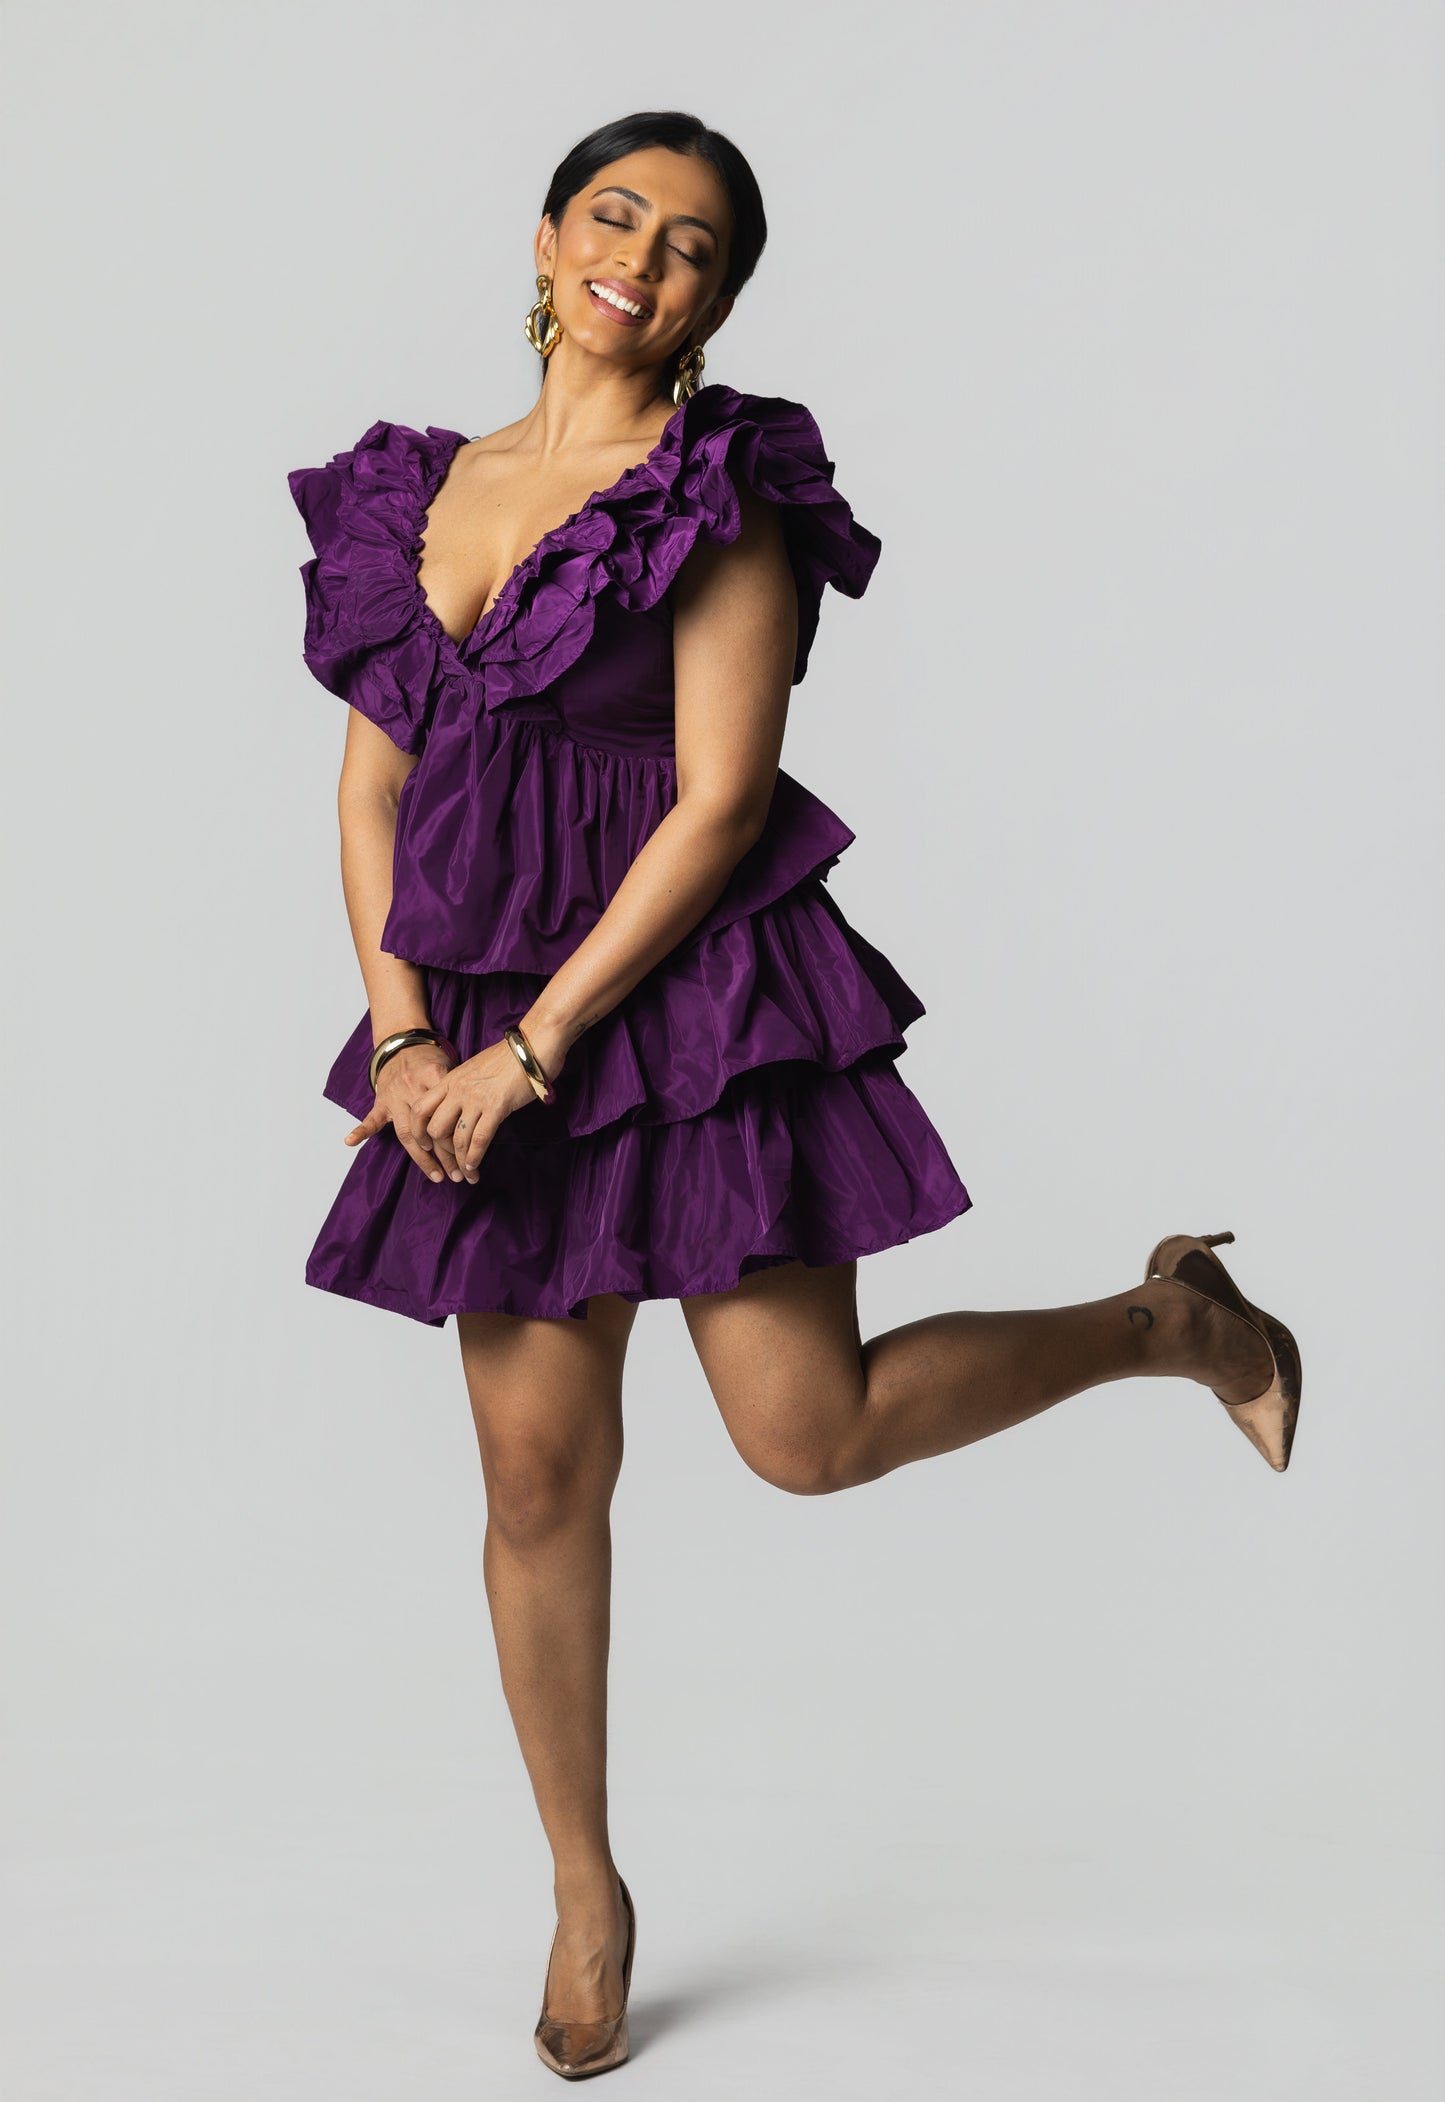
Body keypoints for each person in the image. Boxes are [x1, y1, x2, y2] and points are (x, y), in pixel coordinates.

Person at [285, 110, 1302, 2083]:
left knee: (804, 1437)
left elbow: (722, 794)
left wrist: (537, 1046)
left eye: (690, 245)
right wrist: (409, 1036)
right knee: (533, 1478)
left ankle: (1170, 1319)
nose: (642, 260)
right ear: (548, 234)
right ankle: (587, 1888)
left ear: (717, 299)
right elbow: (370, 789)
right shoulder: (421, 490)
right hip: (470, 1001)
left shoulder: (721, 488)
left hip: (684, 999)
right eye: (615, 216)